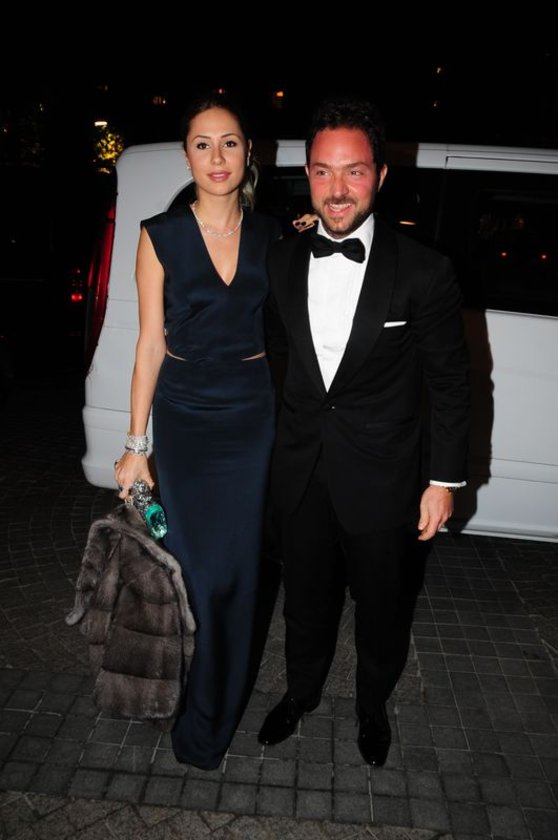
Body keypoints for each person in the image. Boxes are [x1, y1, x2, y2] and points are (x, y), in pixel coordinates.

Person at [259, 97, 470, 766]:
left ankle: (372, 706)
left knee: (382, 608)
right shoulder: (282, 260)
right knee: (305, 601)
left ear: (379, 174)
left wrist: (443, 481)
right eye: (323, 171)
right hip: (302, 472)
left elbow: (452, 383)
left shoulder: (424, 270)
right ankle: (300, 693)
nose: (337, 189)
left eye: (353, 171)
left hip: (384, 477)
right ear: (307, 175)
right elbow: (277, 359)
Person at [114, 94, 280, 771]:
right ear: (187, 157)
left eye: (229, 142)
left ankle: (212, 717)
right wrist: (136, 445)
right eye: (203, 144)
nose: (217, 156)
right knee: (191, 571)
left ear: (248, 154)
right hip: (184, 421)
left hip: (251, 419)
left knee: (236, 575)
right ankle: (179, 690)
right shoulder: (159, 234)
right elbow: (150, 343)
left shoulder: (274, 236)